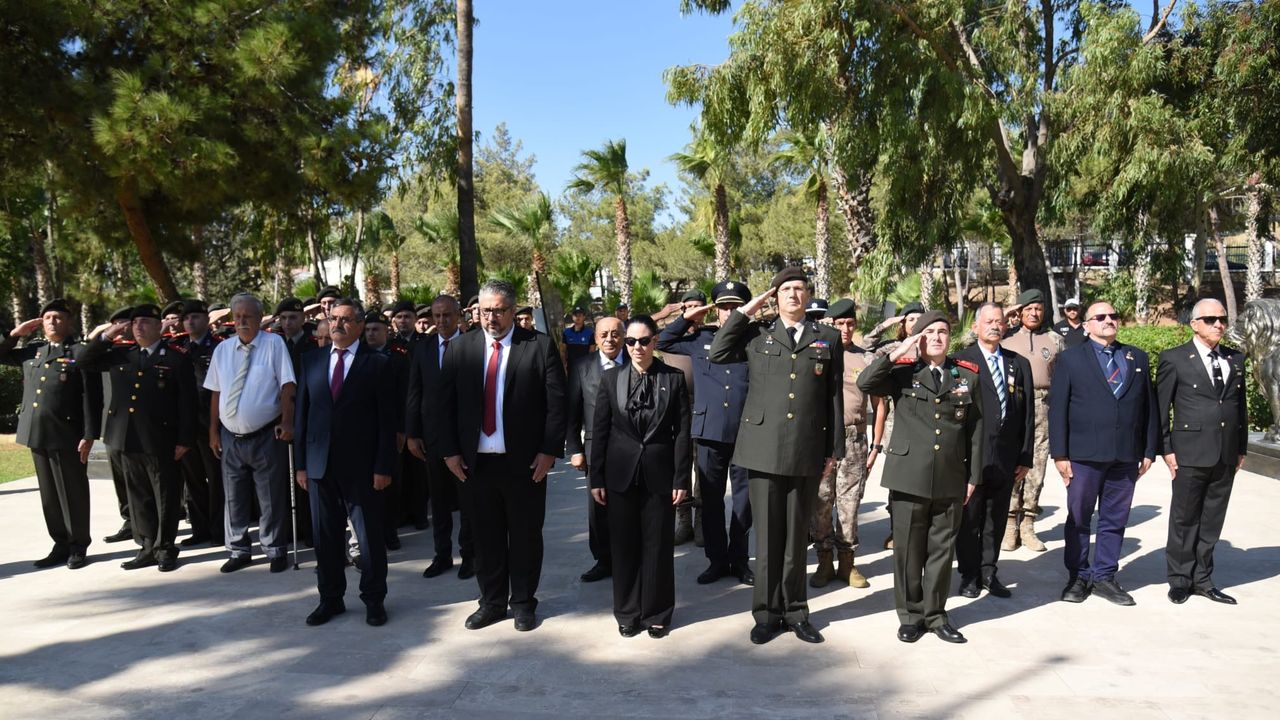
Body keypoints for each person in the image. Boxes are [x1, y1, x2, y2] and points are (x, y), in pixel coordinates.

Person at [709, 267, 843, 645]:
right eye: (785, 290)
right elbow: (718, 351)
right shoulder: (757, 333)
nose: (793, 295)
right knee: (767, 540)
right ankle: (767, 615)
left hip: (805, 447)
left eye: (799, 289)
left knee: (797, 538)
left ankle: (796, 611)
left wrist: (833, 450)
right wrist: (749, 309)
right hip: (763, 447)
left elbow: (833, 395)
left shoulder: (827, 337)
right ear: (775, 296)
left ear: (808, 294)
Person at [439, 279, 567, 632]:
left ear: (512, 310)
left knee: (525, 536)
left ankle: (523, 602)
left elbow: (557, 404)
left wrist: (549, 451)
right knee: (485, 537)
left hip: (524, 464)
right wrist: (449, 452)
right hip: (475, 464)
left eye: (498, 310)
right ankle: (492, 602)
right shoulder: (460, 348)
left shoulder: (538, 346)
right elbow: (443, 405)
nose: (490, 317)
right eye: (484, 311)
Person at [857, 310, 982, 644]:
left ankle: (936, 615)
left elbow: (976, 429)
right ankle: (911, 616)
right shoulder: (902, 372)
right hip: (908, 476)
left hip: (951, 476)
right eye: (929, 332)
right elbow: (865, 382)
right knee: (909, 552)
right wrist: (897, 352)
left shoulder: (966, 375)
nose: (937, 338)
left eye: (943, 332)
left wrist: (973, 475)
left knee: (942, 552)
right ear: (917, 338)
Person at [294, 298, 397, 627]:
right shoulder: (311, 360)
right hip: (319, 465)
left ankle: (374, 599)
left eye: (346, 319)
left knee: (369, 539)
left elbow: (387, 422)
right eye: (333, 318)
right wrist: (301, 464)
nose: (337, 324)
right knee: (325, 538)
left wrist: (383, 466)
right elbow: (302, 416)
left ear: (360, 325)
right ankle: (330, 598)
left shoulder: (378, 363)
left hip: (363, 468)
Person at [1049, 301, 1158, 606]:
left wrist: (1149, 449)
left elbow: (1149, 406)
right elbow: (1058, 409)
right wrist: (1060, 455)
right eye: (1100, 316)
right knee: (1080, 517)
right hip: (1083, 455)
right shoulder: (1070, 359)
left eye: (1113, 315)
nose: (1109, 320)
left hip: (1125, 455)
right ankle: (1078, 576)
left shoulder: (1137, 357)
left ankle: (1105, 576)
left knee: (1115, 518)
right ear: (1086, 325)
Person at [590, 316, 692, 638]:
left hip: (660, 474)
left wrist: (681, 479)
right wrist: (596, 478)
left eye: (644, 341)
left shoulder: (673, 379)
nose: (637, 347)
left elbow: (682, 433)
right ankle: (627, 612)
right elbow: (600, 431)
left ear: (655, 341)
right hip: (619, 475)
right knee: (624, 547)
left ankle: (657, 612)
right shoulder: (611, 379)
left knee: (658, 546)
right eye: (631, 341)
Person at [77, 304, 198, 572]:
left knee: (165, 496)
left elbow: (188, 403)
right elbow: (84, 362)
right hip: (126, 437)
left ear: (158, 326)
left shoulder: (176, 358)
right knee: (138, 496)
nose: (138, 327)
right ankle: (146, 546)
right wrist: (107, 336)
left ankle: (165, 548)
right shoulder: (121, 354)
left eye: (145, 322)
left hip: (161, 439)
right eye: (134, 323)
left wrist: (185, 439)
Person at [657, 280, 754, 586]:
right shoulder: (701, 338)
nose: (729, 312)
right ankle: (717, 560)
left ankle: (740, 560)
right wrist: (688, 316)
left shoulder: (755, 338)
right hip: (710, 431)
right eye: (724, 307)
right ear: (716, 310)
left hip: (746, 432)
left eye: (736, 307)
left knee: (744, 503)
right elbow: (663, 341)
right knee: (710, 501)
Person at [1157, 298, 1247, 605]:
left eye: (1222, 319)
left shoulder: (1235, 358)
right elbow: (1161, 409)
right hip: (1189, 452)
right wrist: (1166, 449)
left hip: (1225, 452)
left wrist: (1241, 447)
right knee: (1184, 518)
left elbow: (1239, 407)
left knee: (1212, 519)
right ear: (1194, 324)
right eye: (1211, 319)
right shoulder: (1174, 358)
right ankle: (1180, 579)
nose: (1219, 324)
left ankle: (1203, 579)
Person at [1, 299, 101, 569]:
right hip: (36, 433)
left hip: (67, 434)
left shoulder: (79, 352)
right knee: (49, 495)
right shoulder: (33, 351)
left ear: (69, 322)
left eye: (58, 317)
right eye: (47, 318)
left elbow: (90, 396)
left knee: (72, 492)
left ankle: (78, 545)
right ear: (41, 323)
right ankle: (60, 543)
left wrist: (89, 434)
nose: (52, 322)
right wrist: (15, 334)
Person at [204, 293, 297, 574]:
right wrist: (213, 430)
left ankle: (275, 549)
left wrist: (288, 421)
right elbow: (216, 392)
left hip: (265, 434)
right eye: (238, 316)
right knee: (234, 497)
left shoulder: (274, 344)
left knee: (270, 496)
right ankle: (238, 549)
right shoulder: (223, 349)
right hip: (230, 436)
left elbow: (287, 385)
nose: (242, 321)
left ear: (260, 318)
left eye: (248, 316)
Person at [954, 303, 1034, 599]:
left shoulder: (1018, 363)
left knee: (996, 517)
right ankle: (969, 574)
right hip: (971, 456)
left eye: (999, 321)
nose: (995, 326)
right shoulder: (961, 361)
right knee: (969, 518)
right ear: (975, 327)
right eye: (988, 322)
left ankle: (989, 571)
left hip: (1006, 456)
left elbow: (1027, 414)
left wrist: (1025, 455)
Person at [809, 298, 885, 590]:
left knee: (850, 504)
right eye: (838, 323)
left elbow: (879, 404)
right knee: (820, 502)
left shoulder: (865, 358)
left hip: (855, 439)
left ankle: (847, 563)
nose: (845, 328)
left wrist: (876, 445)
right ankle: (824, 561)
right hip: (821, 439)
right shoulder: (816, 354)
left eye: (850, 323)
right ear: (829, 324)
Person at [407, 295, 474, 580]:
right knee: (439, 500)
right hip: (432, 437)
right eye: (437, 316)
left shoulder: (473, 345)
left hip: (465, 438)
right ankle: (442, 555)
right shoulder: (422, 348)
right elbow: (414, 391)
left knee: (468, 501)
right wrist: (412, 433)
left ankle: (470, 555)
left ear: (458, 316)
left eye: (447, 315)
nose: (442, 321)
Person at [999, 289, 1065, 552]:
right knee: (1011, 464)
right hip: (1013, 404)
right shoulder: (1005, 338)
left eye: (1038, 308)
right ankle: (1009, 525)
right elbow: (970, 340)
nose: (1034, 313)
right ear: (1019, 311)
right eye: (1028, 309)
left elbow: (1065, 375)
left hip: (1043, 405)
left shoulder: (1054, 340)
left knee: (1037, 465)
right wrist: (1005, 315)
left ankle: (1028, 524)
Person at [565, 317, 627, 582]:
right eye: (604, 334)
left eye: (615, 333)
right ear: (595, 337)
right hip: (595, 448)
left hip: (631, 447)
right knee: (598, 505)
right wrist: (575, 449)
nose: (609, 339)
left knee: (629, 504)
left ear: (623, 336)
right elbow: (572, 412)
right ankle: (604, 560)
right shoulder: (582, 367)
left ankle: (628, 557)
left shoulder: (635, 361)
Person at [172, 299, 225, 548]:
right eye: (186, 318)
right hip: (186, 424)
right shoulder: (178, 348)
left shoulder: (219, 347)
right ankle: (200, 529)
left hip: (210, 421)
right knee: (193, 480)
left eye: (195, 317)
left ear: (206, 319)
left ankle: (219, 530)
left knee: (216, 479)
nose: (190, 322)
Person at [362, 311, 410, 551]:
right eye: (367, 330)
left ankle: (390, 532)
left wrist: (401, 430)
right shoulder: (359, 355)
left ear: (386, 331)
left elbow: (404, 396)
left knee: (391, 483)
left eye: (376, 330)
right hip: (366, 429)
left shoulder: (398, 357)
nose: (371, 334)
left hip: (392, 429)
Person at [98, 305, 136, 544]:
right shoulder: (106, 353)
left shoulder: (140, 352)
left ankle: (147, 522)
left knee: (140, 480)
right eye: (116, 324)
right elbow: (84, 357)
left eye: (126, 324)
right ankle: (129, 521)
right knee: (120, 478)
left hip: (138, 427)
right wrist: (102, 335)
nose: (121, 329)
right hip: (112, 426)